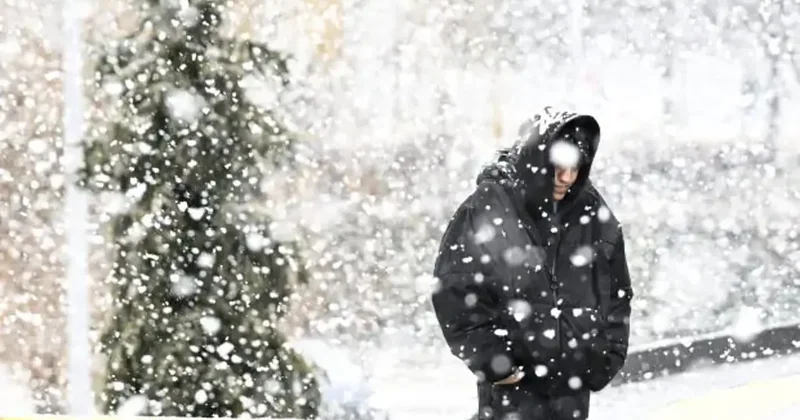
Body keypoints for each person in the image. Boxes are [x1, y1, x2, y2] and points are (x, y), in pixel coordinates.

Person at [431, 107, 634, 419]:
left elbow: (616, 291)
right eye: (560, 167)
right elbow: (454, 290)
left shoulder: (592, 213)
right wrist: (492, 361)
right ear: (537, 159)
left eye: (576, 168)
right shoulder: (489, 207)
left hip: (572, 391)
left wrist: (606, 356)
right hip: (511, 391)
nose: (568, 178)